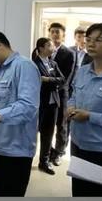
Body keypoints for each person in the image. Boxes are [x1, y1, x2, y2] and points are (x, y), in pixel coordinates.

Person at [0, 30, 40, 196]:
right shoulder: (1, 70)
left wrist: (1, 114)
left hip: (16, 151)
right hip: (0, 148)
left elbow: (29, 106)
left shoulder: (24, 66)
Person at [67, 23, 102, 196]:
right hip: (78, 146)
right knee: (80, 196)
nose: (91, 44)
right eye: (88, 39)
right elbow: (73, 95)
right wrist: (70, 107)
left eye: (98, 40)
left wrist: (90, 116)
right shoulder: (82, 72)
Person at [32, 38, 65, 175]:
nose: (52, 48)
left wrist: (48, 80)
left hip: (53, 103)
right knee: (34, 132)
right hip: (39, 103)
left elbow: (62, 80)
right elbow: (36, 82)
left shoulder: (53, 63)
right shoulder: (34, 64)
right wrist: (51, 81)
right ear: (41, 48)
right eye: (49, 45)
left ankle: (44, 162)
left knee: (48, 134)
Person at [48, 23, 75, 167]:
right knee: (46, 125)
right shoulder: (43, 50)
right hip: (46, 94)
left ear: (63, 34)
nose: (54, 34)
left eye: (57, 32)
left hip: (61, 93)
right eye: (52, 32)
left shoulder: (69, 53)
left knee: (61, 124)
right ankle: (49, 151)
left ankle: (59, 152)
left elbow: (67, 77)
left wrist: (51, 83)